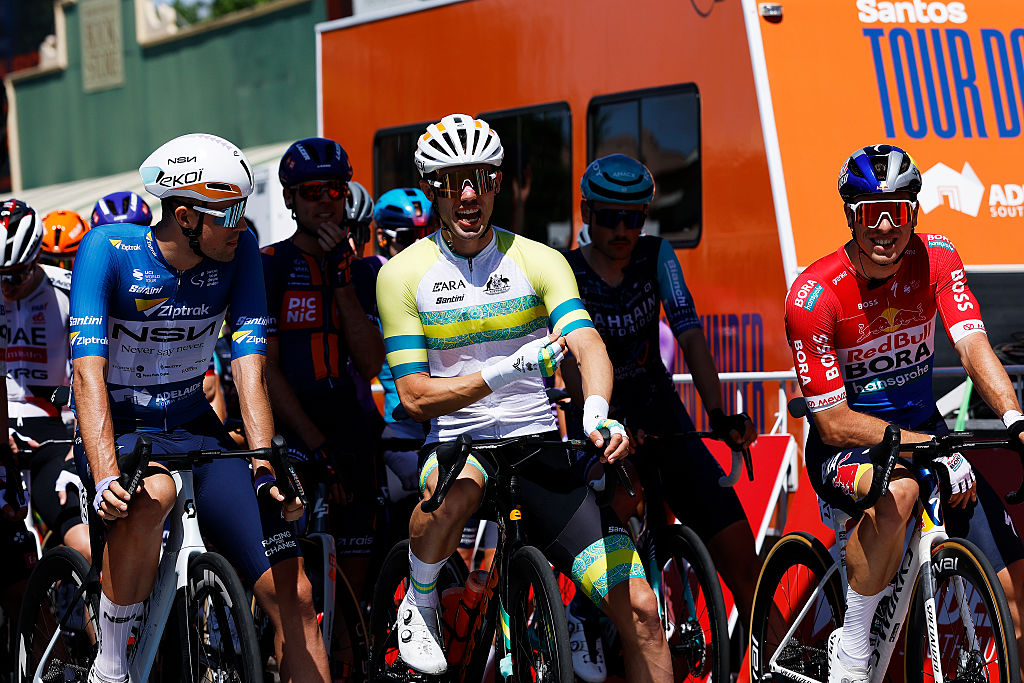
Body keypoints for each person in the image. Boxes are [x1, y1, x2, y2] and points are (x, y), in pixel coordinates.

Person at [376, 113, 671, 680]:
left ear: (499, 184)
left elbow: (586, 343)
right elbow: (413, 397)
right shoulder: (404, 274)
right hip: (461, 447)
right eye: (452, 180)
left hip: (536, 446)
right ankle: (420, 595)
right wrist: (502, 373)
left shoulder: (539, 260)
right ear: (431, 188)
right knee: (456, 491)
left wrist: (597, 412)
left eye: (482, 179)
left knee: (638, 608)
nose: (468, 195)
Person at [70, 133, 329, 683]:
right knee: (153, 495)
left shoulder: (240, 255)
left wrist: (263, 461)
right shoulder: (107, 250)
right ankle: (111, 665)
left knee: (296, 596)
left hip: (194, 424)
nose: (241, 223)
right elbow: (86, 372)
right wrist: (105, 475)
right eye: (229, 211)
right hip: (122, 425)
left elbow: (249, 365)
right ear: (184, 215)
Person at [785, 143, 1024, 683]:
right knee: (901, 493)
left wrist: (1015, 419)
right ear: (851, 215)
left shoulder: (937, 257)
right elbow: (832, 421)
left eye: (899, 210)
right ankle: (851, 644)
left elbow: (972, 345)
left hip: (926, 437)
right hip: (848, 447)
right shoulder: (814, 295)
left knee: (1016, 600)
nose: (887, 226)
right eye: (872, 212)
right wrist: (928, 449)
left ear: (914, 211)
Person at [561, 153, 760, 681]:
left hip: (661, 412)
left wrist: (717, 411)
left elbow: (690, 332)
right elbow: (570, 361)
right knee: (622, 534)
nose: (624, 230)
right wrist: (596, 425)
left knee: (744, 561)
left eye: (635, 217)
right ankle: (584, 615)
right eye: (610, 216)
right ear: (587, 211)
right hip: (600, 421)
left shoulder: (657, 257)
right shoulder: (568, 270)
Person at [261, 137, 385, 597]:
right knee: (294, 584)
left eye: (333, 189)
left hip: (352, 425)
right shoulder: (268, 265)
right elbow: (265, 372)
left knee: (354, 585)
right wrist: (317, 445)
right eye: (310, 192)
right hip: (294, 431)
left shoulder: (364, 270)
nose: (325, 202)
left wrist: (341, 280)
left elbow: (372, 362)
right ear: (290, 198)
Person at [6, 207, 90, 564]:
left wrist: (80, 443)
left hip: (53, 430)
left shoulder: (69, 290)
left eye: (18, 274)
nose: (9, 286)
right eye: (1, 276)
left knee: (87, 550)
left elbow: (93, 373)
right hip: (3, 427)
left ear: (36, 256)